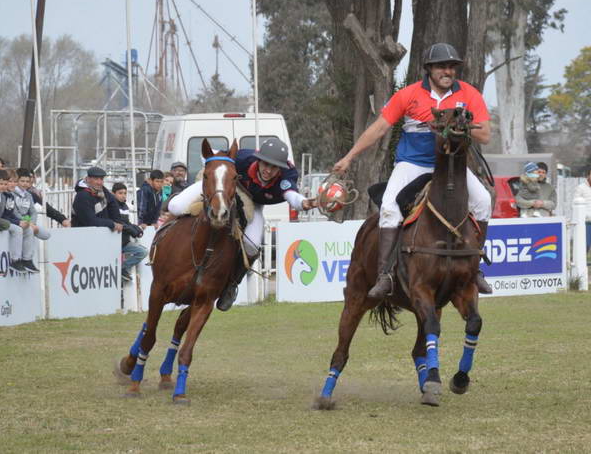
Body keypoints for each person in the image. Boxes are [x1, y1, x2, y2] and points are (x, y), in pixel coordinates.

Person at [332, 42, 494, 298]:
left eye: (452, 66)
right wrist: (349, 157)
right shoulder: (408, 95)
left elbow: (485, 135)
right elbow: (379, 128)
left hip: (451, 166)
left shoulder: (469, 94)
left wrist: (457, 124)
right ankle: (385, 275)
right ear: (429, 69)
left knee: (484, 201)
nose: (447, 71)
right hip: (413, 164)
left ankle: (475, 270)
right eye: (441, 66)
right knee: (388, 208)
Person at [168, 137, 317, 311]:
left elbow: (291, 195)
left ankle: (231, 285)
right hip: (225, 187)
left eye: (274, 167)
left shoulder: (287, 174)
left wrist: (305, 202)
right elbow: (211, 156)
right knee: (175, 206)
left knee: (252, 245)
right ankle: (165, 250)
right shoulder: (244, 158)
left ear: (280, 168)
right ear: (258, 159)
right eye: (265, 164)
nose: (268, 170)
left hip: (255, 201)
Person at [12, 168, 52, 272]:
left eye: (27, 181)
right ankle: (26, 260)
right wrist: (28, 223)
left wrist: (32, 223)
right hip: (19, 221)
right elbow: (15, 212)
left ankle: (28, 257)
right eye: (22, 181)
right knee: (29, 230)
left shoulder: (28, 195)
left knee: (46, 235)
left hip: (28, 221)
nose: (25, 184)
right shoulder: (12, 194)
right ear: (17, 181)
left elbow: (33, 211)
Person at [0, 170, 29, 273]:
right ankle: (15, 260)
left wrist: (23, 220)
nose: (4, 186)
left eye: (5, 183)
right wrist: (18, 222)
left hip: (2, 220)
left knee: (29, 230)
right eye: (2, 184)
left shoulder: (5, 195)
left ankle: (27, 260)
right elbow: (3, 215)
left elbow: (11, 213)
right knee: (17, 229)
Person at [111, 182, 147, 283]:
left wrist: (137, 229)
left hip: (124, 242)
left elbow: (127, 223)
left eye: (125, 193)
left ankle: (122, 268)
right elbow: (120, 223)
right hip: (113, 243)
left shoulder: (125, 207)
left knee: (142, 252)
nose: (123, 195)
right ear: (113, 194)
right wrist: (133, 231)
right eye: (120, 193)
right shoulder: (112, 206)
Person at [71, 166, 123, 232]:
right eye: (96, 179)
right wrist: (112, 224)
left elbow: (112, 203)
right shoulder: (82, 196)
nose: (99, 182)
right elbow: (90, 221)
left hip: (100, 234)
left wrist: (117, 222)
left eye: (101, 179)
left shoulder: (101, 190)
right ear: (88, 179)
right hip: (83, 235)